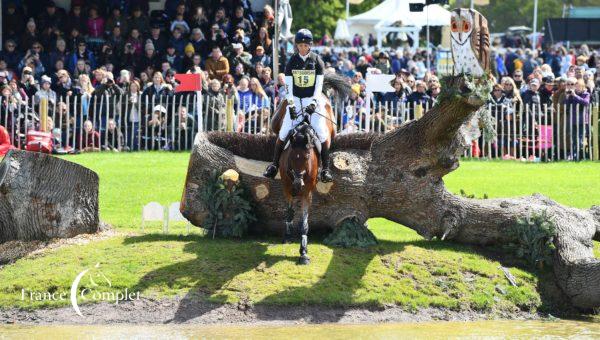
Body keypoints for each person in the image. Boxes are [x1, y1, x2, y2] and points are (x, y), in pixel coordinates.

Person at [263, 29, 332, 183]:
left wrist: (314, 103)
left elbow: (318, 86)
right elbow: (288, 87)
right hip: (295, 99)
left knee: (321, 133)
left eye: (305, 45)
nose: (302, 48)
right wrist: (292, 105)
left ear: (310, 45)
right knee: (283, 132)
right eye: (300, 45)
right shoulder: (292, 61)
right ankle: (274, 165)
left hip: (312, 100)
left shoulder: (317, 61)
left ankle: (326, 169)